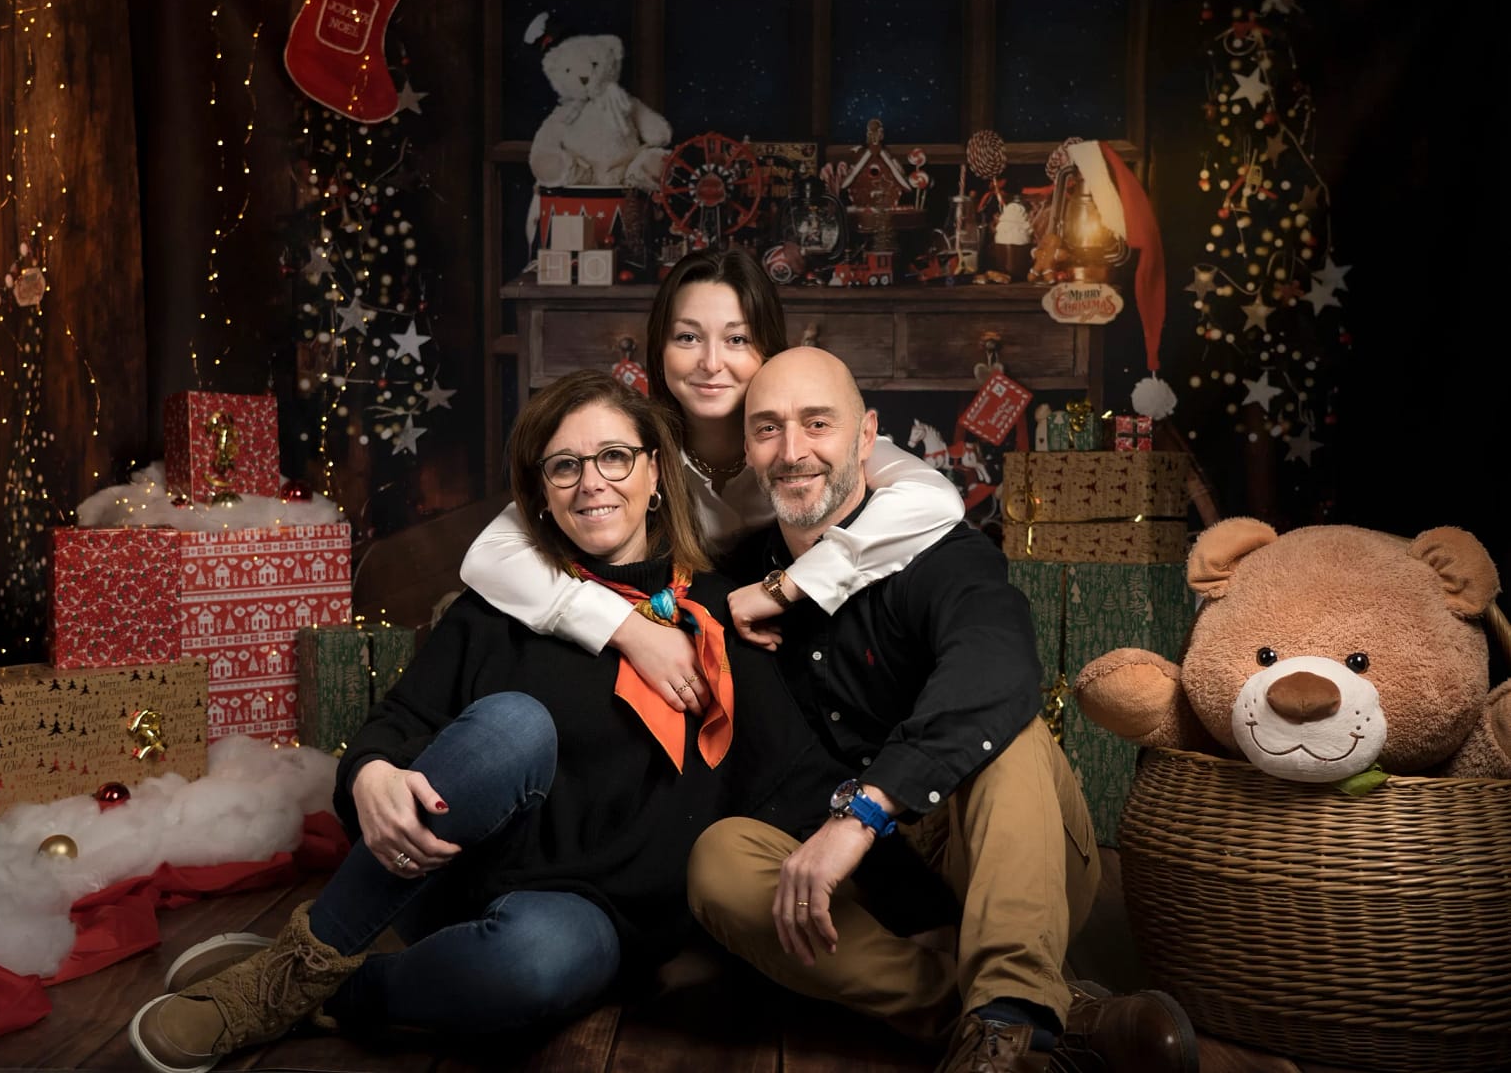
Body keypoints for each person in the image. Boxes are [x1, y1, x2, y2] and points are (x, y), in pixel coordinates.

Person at [128, 370, 814, 1073]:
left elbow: (794, 785)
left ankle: (314, 984)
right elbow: (394, 723)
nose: (591, 484)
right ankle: (285, 978)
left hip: (590, 922)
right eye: (565, 466)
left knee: (534, 964)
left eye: (614, 457)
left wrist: (864, 827)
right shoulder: (500, 607)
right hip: (442, 877)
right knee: (516, 723)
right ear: (541, 493)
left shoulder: (726, 616)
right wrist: (368, 774)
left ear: (655, 472)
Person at [687, 347, 1200, 1073]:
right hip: (866, 886)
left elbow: (996, 673)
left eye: (817, 424)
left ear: (866, 437)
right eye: (768, 428)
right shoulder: (736, 580)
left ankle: (1007, 1010)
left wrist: (863, 813)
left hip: (1009, 846)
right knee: (719, 861)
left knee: (1008, 732)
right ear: (747, 448)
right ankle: (1019, 1019)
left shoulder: (942, 549)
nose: (792, 450)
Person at [460, 245, 964, 713]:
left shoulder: (807, 443)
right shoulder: (632, 451)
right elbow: (489, 555)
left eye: (737, 339)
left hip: (812, 655)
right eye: (688, 337)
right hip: (676, 666)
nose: (711, 363)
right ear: (660, 350)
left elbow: (935, 499)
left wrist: (787, 587)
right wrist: (628, 631)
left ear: (768, 349)